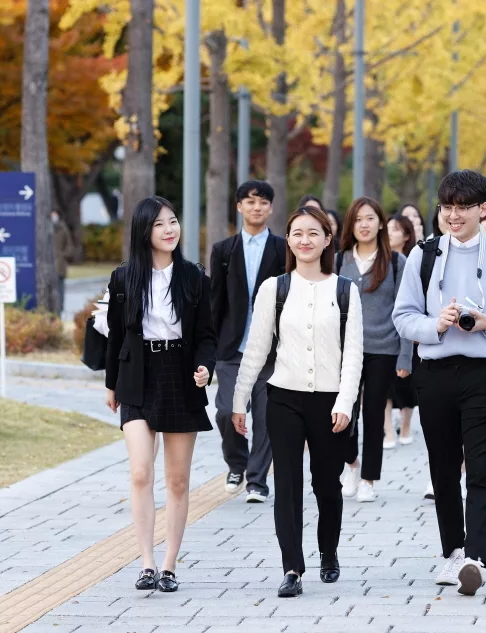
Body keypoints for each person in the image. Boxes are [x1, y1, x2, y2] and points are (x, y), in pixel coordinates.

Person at [392, 170, 486, 595]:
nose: (454, 217)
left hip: (485, 374)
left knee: (481, 466)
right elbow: (402, 316)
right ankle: (451, 552)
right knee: (442, 469)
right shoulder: (422, 256)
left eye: (463, 208)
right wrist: (435, 325)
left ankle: (475, 555)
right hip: (434, 373)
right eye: (447, 208)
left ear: (483, 210)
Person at [232, 206, 363, 598]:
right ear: (288, 240)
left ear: (327, 240)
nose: (305, 240)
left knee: (327, 485)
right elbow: (256, 349)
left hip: (330, 403)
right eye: (297, 233)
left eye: (313, 233)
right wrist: (240, 399)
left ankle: (329, 551)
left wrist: (344, 402)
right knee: (286, 485)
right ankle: (292, 567)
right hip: (283, 399)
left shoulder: (345, 289)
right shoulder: (274, 288)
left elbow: (353, 354)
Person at [104, 196, 216, 594]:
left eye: (174, 221)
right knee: (139, 472)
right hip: (137, 375)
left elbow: (206, 335)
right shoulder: (124, 278)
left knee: (178, 480)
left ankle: (169, 565)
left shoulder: (194, 277)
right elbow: (116, 334)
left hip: (181, 375)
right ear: (143, 231)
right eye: (160, 224)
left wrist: (206, 367)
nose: (170, 230)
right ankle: (146, 562)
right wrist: (111, 382)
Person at [210, 180, 286, 502]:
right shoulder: (223, 251)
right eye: (250, 201)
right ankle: (236, 463)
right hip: (231, 349)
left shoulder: (283, 249)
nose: (257, 207)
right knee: (227, 411)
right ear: (239, 206)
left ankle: (257, 480)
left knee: (267, 417)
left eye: (263, 202)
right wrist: (208, 350)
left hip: (271, 351)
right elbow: (215, 303)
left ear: (271, 208)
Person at [336, 197, 413, 502]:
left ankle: (368, 478)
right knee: (343, 412)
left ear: (380, 222)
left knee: (373, 413)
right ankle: (351, 464)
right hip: (344, 351)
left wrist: (405, 356)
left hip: (384, 349)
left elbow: (407, 311)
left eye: (369, 218)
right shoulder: (338, 260)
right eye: (357, 220)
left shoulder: (396, 262)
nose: (364, 225)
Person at [385, 215, 418, 448]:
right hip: (383, 331)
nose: (390, 233)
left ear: (406, 235)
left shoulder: (413, 260)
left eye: (396, 229)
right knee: (384, 384)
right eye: (387, 228)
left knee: (406, 383)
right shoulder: (378, 260)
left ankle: (405, 423)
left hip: (407, 329)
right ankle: (387, 429)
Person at [52, 210, 75, 314]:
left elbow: (70, 246)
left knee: (60, 287)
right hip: (47, 264)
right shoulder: (44, 228)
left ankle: (59, 309)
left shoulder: (62, 229)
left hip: (59, 264)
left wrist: (63, 255)